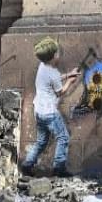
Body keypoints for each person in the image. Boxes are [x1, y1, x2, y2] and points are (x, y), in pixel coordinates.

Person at [20, 37, 79, 177]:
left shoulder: (43, 66)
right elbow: (60, 92)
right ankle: (59, 169)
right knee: (63, 137)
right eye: (57, 53)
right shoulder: (52, 73)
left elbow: (55, 78)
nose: (59, 54)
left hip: (39, 110)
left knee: (41, 141)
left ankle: (27, 165)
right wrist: (70, 81)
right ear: (53, 56)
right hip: (49, 112)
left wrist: (68, 74)